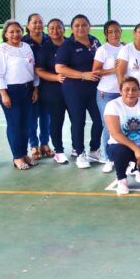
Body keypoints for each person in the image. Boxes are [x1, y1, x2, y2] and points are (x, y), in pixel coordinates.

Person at [0, 20, 39, 170]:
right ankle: (17, 157)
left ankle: (24, 154)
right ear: (5, 34)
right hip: (10, 91)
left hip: (28, 89)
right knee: (15, 123)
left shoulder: (27, 47)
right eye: (11, 32)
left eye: (18, 31)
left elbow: (33, 69)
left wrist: (35, 89)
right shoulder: (2, 50)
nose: (15, 34)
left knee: (27, 123)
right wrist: (3, 94)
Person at [55, 14, 103, 169]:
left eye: (84, 25)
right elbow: (60, 68)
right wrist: (83, 75)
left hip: (94, 88)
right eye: (77, 25)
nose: (80, 28)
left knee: (100, 119)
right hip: (74, 89)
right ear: (72, 28)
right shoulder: (67, 45)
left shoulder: (95, 41)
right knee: (78, 121)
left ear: (89, 26)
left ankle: (94, 150)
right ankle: (80, 153)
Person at [104, 76, 140, 195]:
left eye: (134, 89)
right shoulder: (112, 105)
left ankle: (134, 166)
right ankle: (122, 179)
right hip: (119, 146)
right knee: (121, 152)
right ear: (120, 91)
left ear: (139, 91)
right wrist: (136, 150)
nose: (130, 93)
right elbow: (116, 133)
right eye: (127, 89)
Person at [34, 18, 70, 165]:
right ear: (48, 31)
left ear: (64, 29)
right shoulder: (44, 48)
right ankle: (59, 151)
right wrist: (56, 77)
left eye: (58, 28)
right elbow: (39, 70)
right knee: (56, 121)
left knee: (77, 120)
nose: (55, 31)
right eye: (52, 28)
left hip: (72, 90)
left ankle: (77, 149)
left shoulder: (71, 44)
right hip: (52, 91)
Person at [92, 20, 124, 173]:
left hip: (123, 93)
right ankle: (108, 158)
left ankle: (124, 157)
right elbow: (95, 71)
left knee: (123, 126)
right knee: (108, 126)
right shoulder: (102, 50)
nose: (114, 34)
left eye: (117, 31)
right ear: (105, 34)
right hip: (106, 93)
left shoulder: (125, 48)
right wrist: (114, 70)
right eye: (110, 32)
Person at [22, 12, 53, 160]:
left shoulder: (49, 39)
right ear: (28, 25)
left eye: (40, 22)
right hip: (31, 85)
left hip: (47, 84)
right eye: (34, 22)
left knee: (46, 116)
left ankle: (45, 143)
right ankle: (33, 145)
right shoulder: (23, 42)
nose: (38, 25)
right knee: (32, 116)